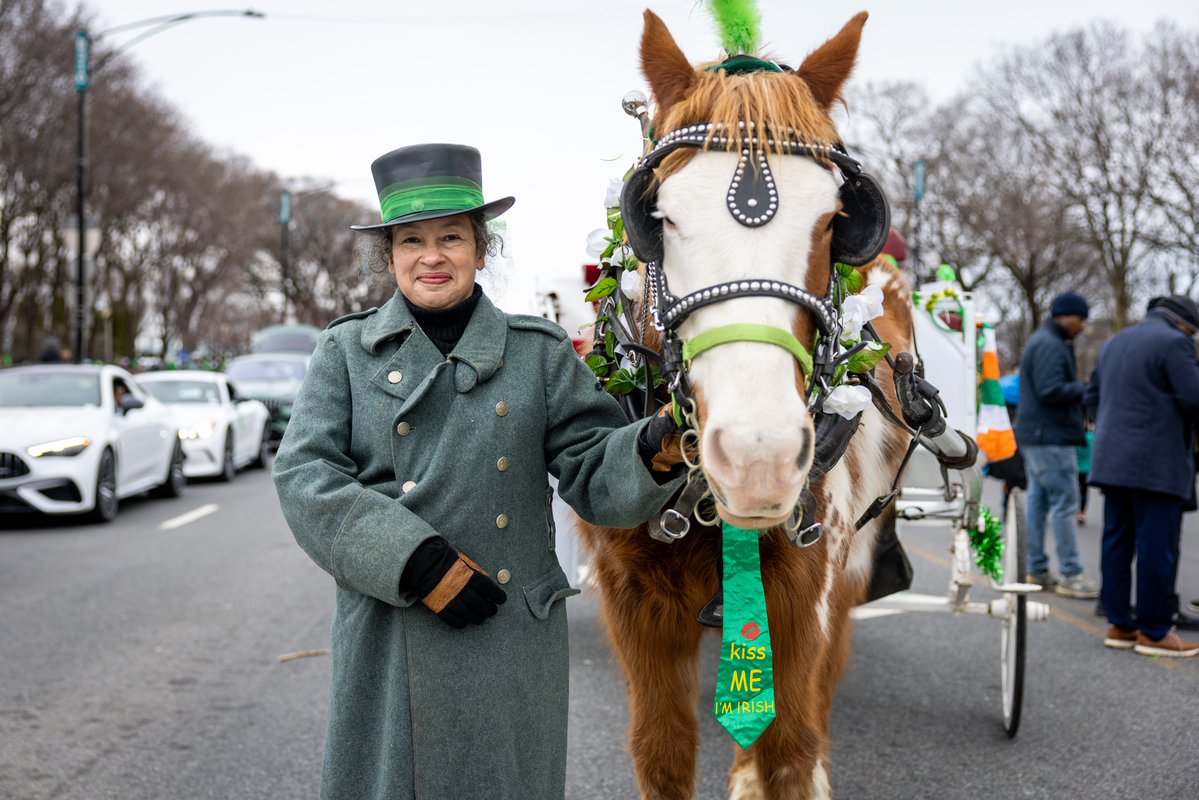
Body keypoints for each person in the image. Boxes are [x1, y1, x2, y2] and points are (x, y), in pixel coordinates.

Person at [272, 143, 684, 800]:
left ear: (481, 249)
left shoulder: (538, 354)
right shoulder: (345, 352)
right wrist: (413, 561)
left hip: (506, 631)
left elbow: (591, 472)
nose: (431, 256)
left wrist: (653, 446)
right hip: (391, 627)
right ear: (389, 256)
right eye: (411, 241)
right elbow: (304, 477)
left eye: (450, 238)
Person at [1085, 295, 1199, 657]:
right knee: (1156, 546)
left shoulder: (1115, 341)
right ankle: (1154, 631)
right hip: (1157, 461)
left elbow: (1092, 397)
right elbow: (1194, 398)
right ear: (1185, 325)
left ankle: (1120, 624)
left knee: (1117, 541)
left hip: (1112, 458)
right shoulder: (1175, 342)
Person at [1015, 291, 1100, 598]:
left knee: (1039, 502)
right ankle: (1071, 574)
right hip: (1051, 436)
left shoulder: (1043, 340)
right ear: (1066, 316)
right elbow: (1051, 390)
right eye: (1081, 319)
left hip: (1037, 435)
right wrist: (1085, 388)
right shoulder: (1051, 344)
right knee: (1066, 503)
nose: (1083, 326)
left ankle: (1037, 569)